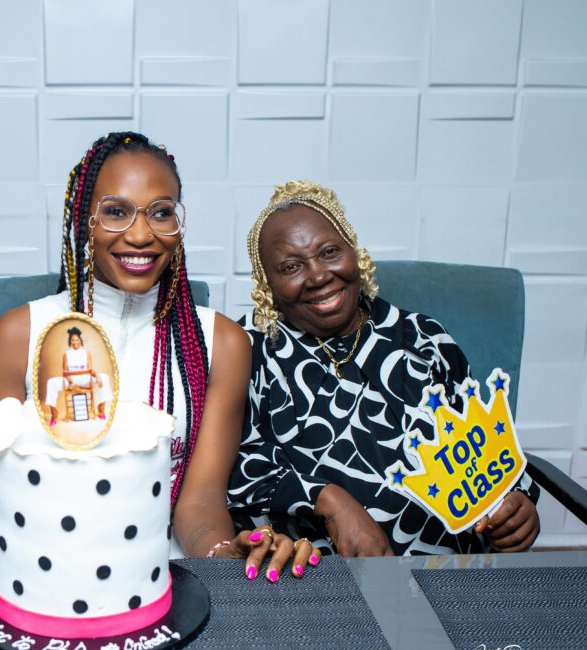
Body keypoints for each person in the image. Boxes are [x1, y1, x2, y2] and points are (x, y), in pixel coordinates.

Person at [0, 132, 320, 581]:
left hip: (165, 576)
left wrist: (223, 553)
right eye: (116, 211)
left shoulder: (223, 343)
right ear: (84, 220)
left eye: (161, 212)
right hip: (41, 573)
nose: (141, 234)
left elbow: (199, 501)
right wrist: (72, 556)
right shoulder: (20, 333)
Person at [228, 179, 540, 556]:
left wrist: (514, 503)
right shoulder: (247, 349)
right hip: (315, 571)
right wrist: (326, 499)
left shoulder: (423, 339)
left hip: (447, 567)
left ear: (353, 251)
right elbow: (228, 468)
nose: (319, 276)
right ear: (267, 285)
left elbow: (483, 445)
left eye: (329, 252)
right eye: (291, 266)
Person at [43, 326, 111, 425]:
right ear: (70, 342)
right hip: (71, 380)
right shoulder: (66, 354)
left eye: (77, 340)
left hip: (85, 379)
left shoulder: (86, 353)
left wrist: (97, 376)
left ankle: (101, 409)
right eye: (72, 340)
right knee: (51, 382)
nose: (75, 342)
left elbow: (90, 369)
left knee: (105, 377)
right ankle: (54, 413)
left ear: (80, 340)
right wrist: (72, 384)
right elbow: (65, 372)